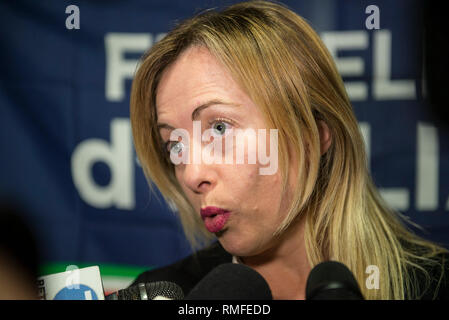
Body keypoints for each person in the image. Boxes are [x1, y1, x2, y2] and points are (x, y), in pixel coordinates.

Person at [129, 0, 449, 299]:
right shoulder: (164, 293)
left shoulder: (434, 285)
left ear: (315, 135)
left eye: (219, 128)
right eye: (175, 144)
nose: (192, 175)